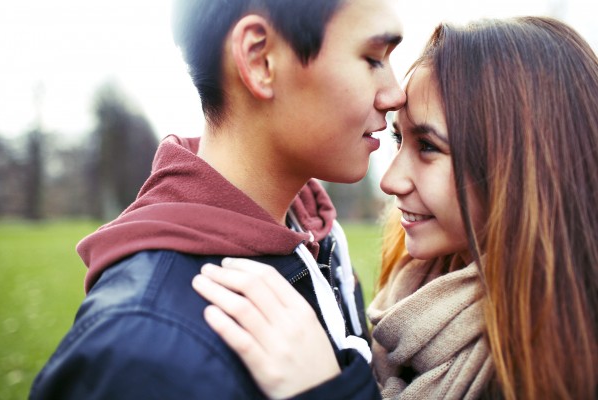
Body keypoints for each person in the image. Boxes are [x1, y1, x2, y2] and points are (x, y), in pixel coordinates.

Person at [192, 16, 598, 399]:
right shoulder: (406, 298)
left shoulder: (557, 368)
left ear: (524, 166)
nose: (389, 181)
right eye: (398, 140)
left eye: (427, 146)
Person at [29, 0, 406, 398]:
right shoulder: (139, 352)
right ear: (260, 60)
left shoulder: (316, 236)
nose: (395, 94)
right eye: (372, 58)